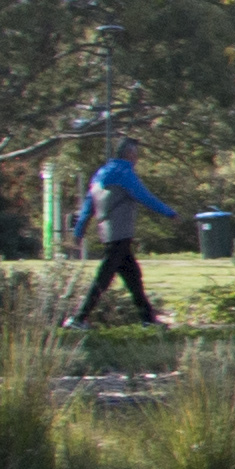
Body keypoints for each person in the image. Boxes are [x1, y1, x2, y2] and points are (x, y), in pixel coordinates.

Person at [72, 135, 172, 329]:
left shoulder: (101, 172)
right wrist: (169, 213)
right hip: (119, 235)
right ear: (129, 153)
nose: (138, 158)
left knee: (133, 277)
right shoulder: (124, 173)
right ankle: (79, 318)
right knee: (104, 277)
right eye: (136, 154)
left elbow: (88, 203)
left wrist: (79, 229)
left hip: (109, 233)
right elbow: (144, 196)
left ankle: (148, 319)